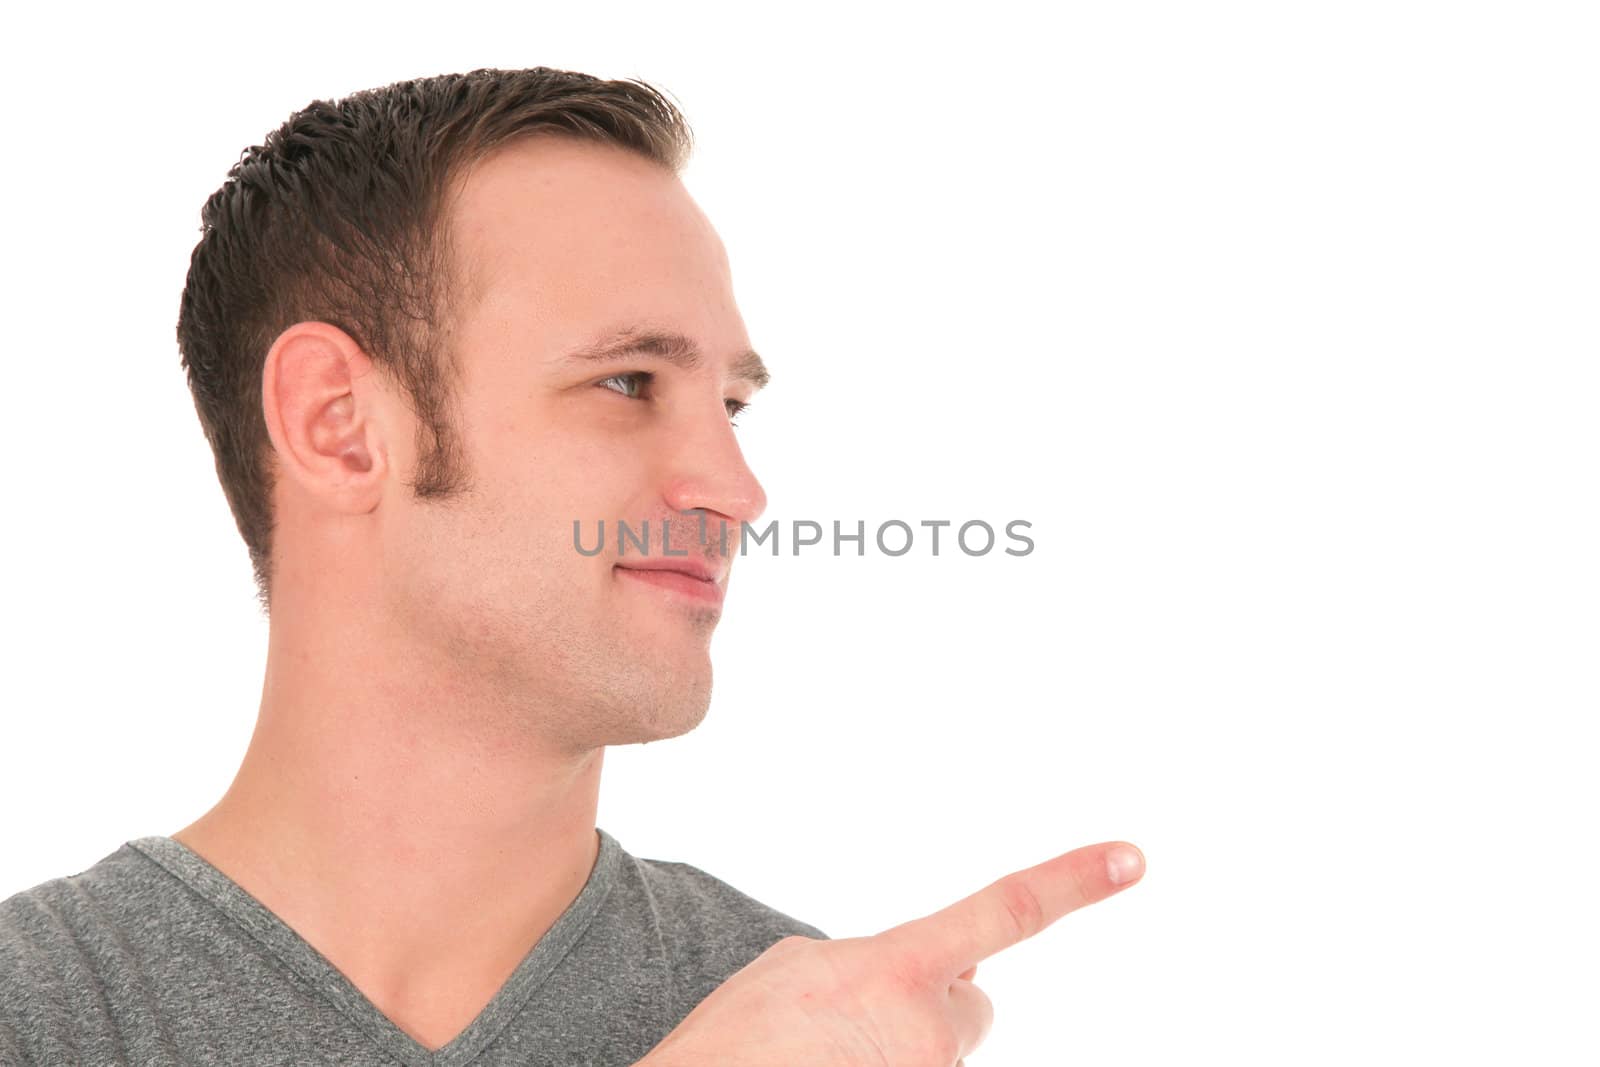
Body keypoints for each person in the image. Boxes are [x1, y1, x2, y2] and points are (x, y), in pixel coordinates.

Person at [0, 67, 1144, 1067]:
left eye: (733, 405)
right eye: (629, 382)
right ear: (340, 426)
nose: (735, 488)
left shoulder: (823, 1022)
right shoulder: (37, 1012)